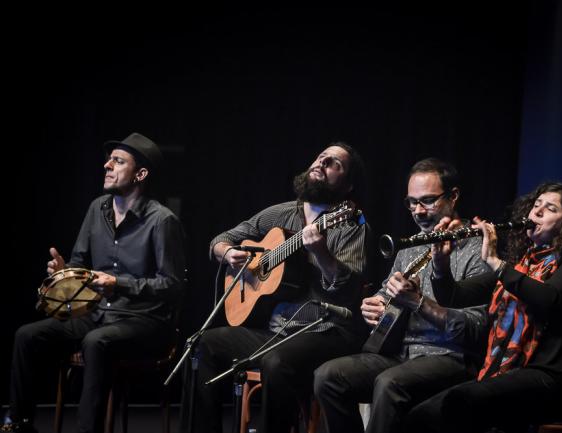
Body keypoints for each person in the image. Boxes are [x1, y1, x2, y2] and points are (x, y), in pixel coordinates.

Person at [2, 133, 187, 433]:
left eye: (118, 161)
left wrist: (120, 283)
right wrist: (64, 272)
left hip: (143, 320)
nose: (107, 166)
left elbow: (173, 285)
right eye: (109, 160)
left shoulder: (162, 221)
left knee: (95, 342)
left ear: (140, 174)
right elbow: (79, 264)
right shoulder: (96, 209)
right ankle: (18, 423)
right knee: (27, 335)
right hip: (99, 314)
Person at [193, 143, 371, 433]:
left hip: (327, 330)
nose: (322, 161)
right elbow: (222, 238)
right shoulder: (281, 214)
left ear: (348, 186)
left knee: (277, 363)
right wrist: (227, 253)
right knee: (203, 344)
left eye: (334, 163)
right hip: (276, 330)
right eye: (320, 156)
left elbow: (349, 291)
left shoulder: (350, 224)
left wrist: (323, 254)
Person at [402, 182, 562, 433]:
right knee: (419, 415)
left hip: (554, 379)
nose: (537, 212)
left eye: (550, 208)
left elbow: (551, 300)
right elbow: (455, 296)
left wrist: (497, 264)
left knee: (460, 403)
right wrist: (441, 264)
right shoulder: (523, 262)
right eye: (536, 205)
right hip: (513, 374)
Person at [314, 158, 490, 433]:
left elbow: (476, 329)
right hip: (399, 353)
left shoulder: (478, 252)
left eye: (428, 201)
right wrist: (375, 307)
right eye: (411, 202)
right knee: (328, 376)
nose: (418, 211)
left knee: (389, 383)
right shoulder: (408, 248)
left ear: (453, 196)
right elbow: (386, 298)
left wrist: (420, 304)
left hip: (450, 357)